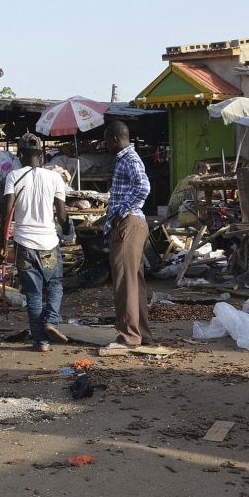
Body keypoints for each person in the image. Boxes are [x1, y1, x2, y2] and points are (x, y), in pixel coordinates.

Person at [0, 133, 72, 352]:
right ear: (41, 156)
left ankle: (41, 341)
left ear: (21, 155)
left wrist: (2, 244)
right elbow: (61, 215)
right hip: (49, 243)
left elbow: (7, 213)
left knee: (33, 293)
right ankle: (52, 320)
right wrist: (69, 229)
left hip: (24, 244)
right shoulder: (55, 178)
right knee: (55, 285)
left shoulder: (13, 176)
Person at [102, 121, 152, 350]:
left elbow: (143, 187)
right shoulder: (127, 159)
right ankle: (141, 333)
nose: (105, 146)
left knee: (124, 281)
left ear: (114, 139)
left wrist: (121, 213)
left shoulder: (129, 158)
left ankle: (129, 336)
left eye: (106, 141)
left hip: (129, 224)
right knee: (134, 281)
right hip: (135, 223)